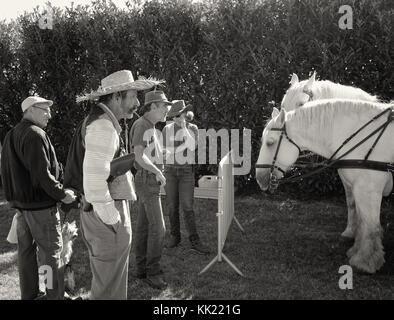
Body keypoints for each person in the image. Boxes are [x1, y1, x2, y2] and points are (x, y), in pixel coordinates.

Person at [75, 70, 163, 300]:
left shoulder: (102, 122)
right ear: (116, 97)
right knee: (109, 291)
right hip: (104, 216)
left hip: (100, 214)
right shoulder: (103, 126)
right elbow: (94, 180)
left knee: (108, 284)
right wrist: (113, 219)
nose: (137, 103)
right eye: (133, 96)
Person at [0, 96, 77, 300]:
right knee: (50, 256)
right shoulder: (35, 134)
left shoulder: (11, 134)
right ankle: (53, 296)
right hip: (40, 208)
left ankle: (32, 294)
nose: (50, 115)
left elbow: (6, 172)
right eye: (45, 110)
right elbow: (42, 175)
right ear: (32, 110)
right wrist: (62, 194)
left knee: (26, 254)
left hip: (23, 208)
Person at [129, 90, 172, 290]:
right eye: (164, 106)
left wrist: (162, 154)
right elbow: (138, 156)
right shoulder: (142, 125)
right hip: (147, 181)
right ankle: (153, 272)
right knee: (159, 229)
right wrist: (157, 171)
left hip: (149, 180)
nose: (167, 111)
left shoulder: (153, 128)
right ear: (153, 106)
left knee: (144, 227)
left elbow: (147, 153)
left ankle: (141, 270)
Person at [162, 100, 210, 254]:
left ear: (185, 114)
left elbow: (192, 146)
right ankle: (175, 237)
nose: (176, 118)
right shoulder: (167, 129)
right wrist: (179, 148)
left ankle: (194, 240)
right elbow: (165, 151)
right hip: (170, 171)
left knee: (187, 207)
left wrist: (183, 129)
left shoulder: (192, 128)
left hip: (186, 173)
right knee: (171, 206)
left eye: (179, 115)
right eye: (174, 115)